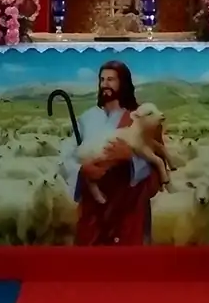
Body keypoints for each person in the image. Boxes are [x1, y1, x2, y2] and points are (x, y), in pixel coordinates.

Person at [57, 60, 165, 245]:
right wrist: (82, 170)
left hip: (128, 211)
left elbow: (156, 161)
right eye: (102, 79)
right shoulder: (87, 118)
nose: (105, 84)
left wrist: (130, 159)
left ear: (123, 83)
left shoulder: (140, 118)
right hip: (93, 212)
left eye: (111, 79)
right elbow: (65, 158)